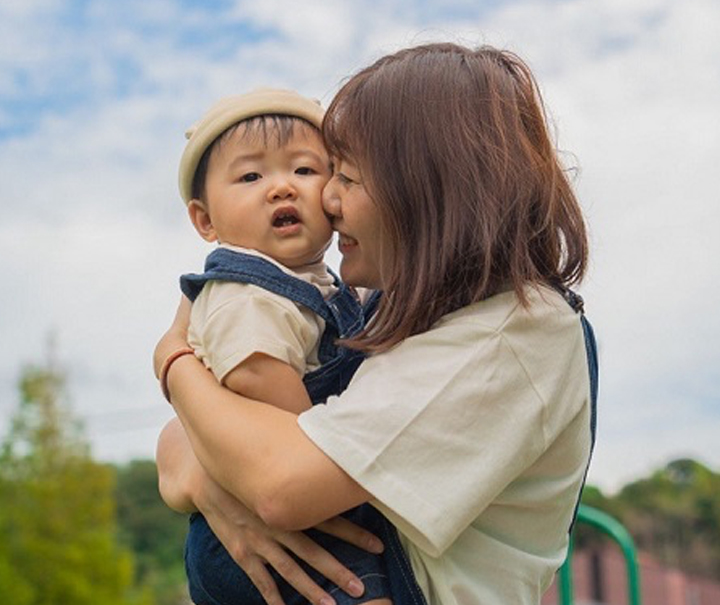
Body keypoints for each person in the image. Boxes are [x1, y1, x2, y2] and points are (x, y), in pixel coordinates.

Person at [155, 42, 598, 605]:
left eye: (345, 176)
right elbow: (177, 444)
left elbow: (279, 484)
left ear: (426, 189)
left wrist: (172, 359)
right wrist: (206, 479)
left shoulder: (512, 332)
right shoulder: (389, 308)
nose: (327, 199)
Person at [172, 88, 393, 605]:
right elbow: (254, 373)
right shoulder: (245, 293)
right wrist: (311, 445)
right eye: (251, 177)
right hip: (255, 529)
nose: (281, 189)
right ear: (205, 221)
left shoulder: (318, 286)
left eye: (304, 170)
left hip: (282, 512)